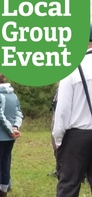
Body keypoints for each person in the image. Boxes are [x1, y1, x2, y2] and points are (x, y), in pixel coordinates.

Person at [52, 26, 92, 197]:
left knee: (69, 184)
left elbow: (62, 112)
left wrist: (58, 138)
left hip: (77, 137)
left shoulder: (72, 68)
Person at [0, 66, 23, 197]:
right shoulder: (13, 95)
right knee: (5, 162)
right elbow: (19, 113)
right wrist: (15, 127)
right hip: (11, 136)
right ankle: (4, 191)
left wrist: (9, 130)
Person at [47, 85, 58, 177]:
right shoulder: (59, 89)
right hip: (56, 118)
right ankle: (59, 168)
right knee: (55, 146)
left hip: (62, 120)